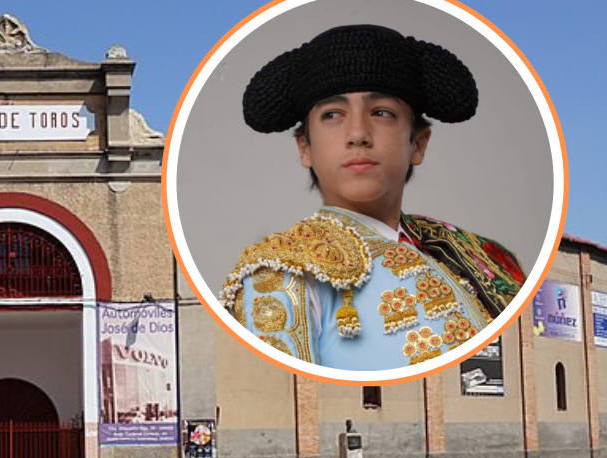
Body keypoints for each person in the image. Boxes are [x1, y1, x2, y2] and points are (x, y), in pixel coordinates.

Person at [221, 24, 526, 370]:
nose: (357, 134)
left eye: (382, 112)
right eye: (332, 115)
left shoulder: (477, 253)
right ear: (305, 148)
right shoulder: (283, 272)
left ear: (418, 143)